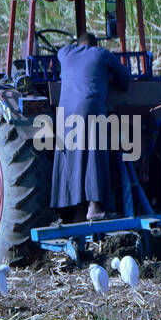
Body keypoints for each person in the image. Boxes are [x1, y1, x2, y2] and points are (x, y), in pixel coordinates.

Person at [51, 29, 129, 221]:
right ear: (95, 44)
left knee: (70, 157)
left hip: (65, 110)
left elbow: (60, 55)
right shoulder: (102, 54)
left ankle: (74, 211)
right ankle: (94, 207)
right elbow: (125, 81)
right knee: (95, 154)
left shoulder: (65, 53)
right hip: (90, 106)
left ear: (79, 44)